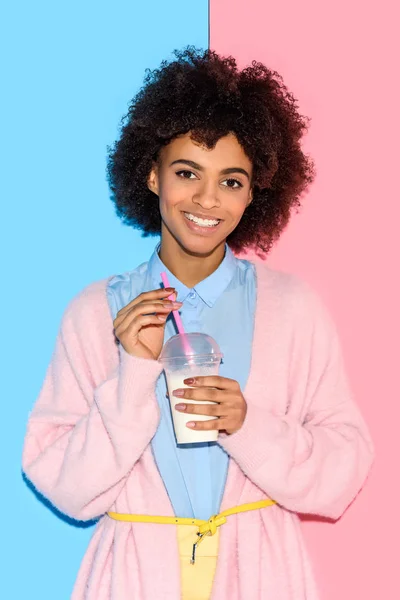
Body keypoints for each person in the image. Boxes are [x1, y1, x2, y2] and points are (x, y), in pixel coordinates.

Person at [22, 46, 374, 600]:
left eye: (232, 181)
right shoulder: (96, 312)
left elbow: (342, 473)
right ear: (152, 175)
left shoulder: (293, 307)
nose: (208, 199)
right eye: (187, 172)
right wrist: (134, 372)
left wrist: (247, 423)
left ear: (256, 191)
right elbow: (66, 489)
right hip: (134, 578)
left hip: (264, 577)